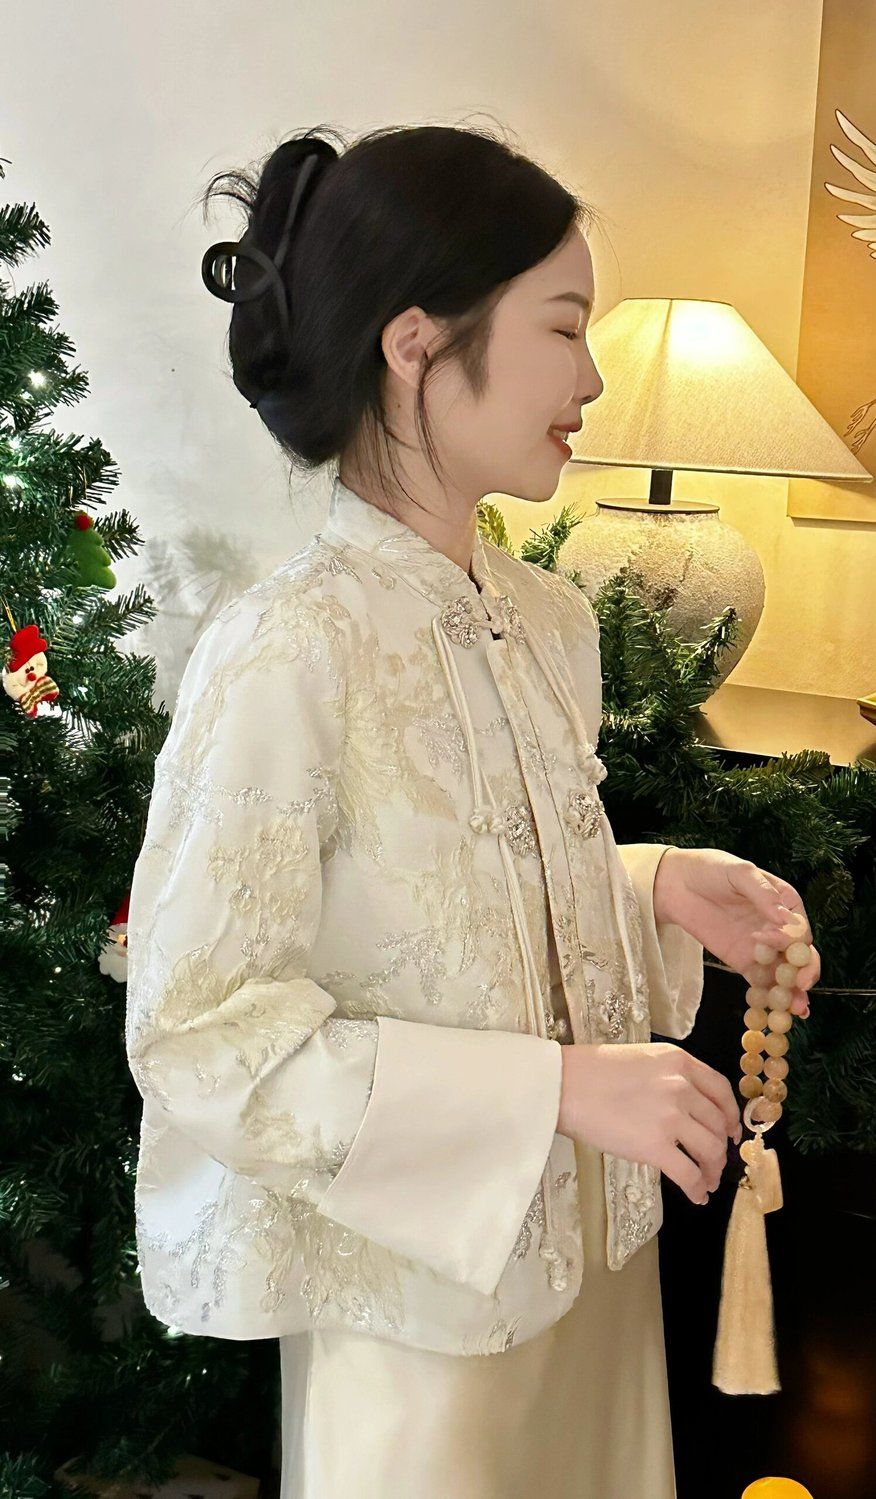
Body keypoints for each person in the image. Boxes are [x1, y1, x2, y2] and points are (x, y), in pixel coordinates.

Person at [125, 119, 816, 1499]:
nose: (593, 375)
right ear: (417, 345)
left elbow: (447, 894)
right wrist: (556, 1089)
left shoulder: (550, 622)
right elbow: (202, 1035)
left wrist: (655, 885)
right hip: (418, 1316)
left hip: (594, 1283)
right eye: (563, 326)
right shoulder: (284, 651)